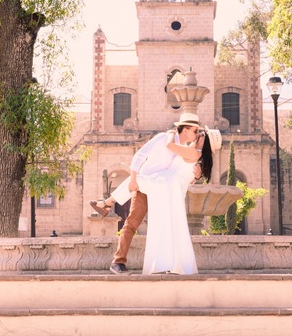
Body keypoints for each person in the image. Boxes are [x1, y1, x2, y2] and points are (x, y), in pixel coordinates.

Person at [89, 112, 208, 274]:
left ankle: (107, 203)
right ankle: (118, 262)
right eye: (195, 131)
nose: (197, 135)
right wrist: (133, 179)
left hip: (163, 192)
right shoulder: (162, 138)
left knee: (166, 226)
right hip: (146, 186)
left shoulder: (184, 148)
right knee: (132, 223)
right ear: (185, 129)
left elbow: (181, 174)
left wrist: (196, 175)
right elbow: (139, 156)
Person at [137, 127, 214, 275]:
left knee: (163, 224)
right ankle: (172, 264)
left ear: (205, 141)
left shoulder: (193, 153)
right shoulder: (194, 154)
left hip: (168, 187)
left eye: (202, 134)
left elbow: (170, 146)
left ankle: (162, 264)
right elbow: (188, 178)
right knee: (172, 227)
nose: (198, 135)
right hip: (171, 189)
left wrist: (171, 133)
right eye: (198, 132)